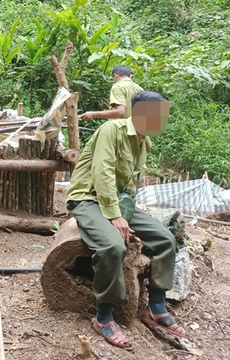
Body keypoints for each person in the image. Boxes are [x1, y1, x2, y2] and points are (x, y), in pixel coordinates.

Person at [66, 90, 186, 351]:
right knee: (113, 247)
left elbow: (130, 184)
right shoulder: (112, 129)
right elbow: (103, 173)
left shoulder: (145, 142)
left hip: (118, 202)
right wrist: (115, 216)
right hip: (88, 198)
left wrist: (127, 211)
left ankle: (154, 307)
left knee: (166, 239)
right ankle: (104, 316)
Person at [79, 65, 143, 121]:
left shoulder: (118, 86)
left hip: (122, 130)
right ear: (130, 76)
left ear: (115, 76)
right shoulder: (140, 89)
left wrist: (93, 114)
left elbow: (120, 112)